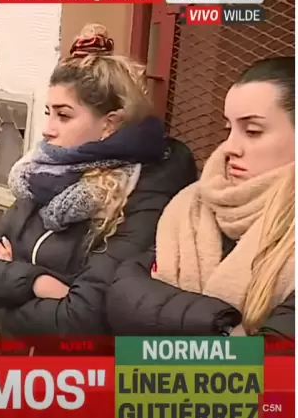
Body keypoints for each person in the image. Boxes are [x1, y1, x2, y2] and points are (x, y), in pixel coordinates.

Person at [0, 24, 198, 346]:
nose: (47, 129)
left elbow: (84, 319)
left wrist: (5, 292)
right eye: (48, 113)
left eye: (64, 115)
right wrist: (38, 283)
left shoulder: (142, 192)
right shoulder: (45, 175)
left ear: (108, 124)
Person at [107, 56, 295, 339]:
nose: (230, 147)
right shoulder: (192, 206)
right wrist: (224, 326)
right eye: (228, 128)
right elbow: (125, 292)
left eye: (253, 131)